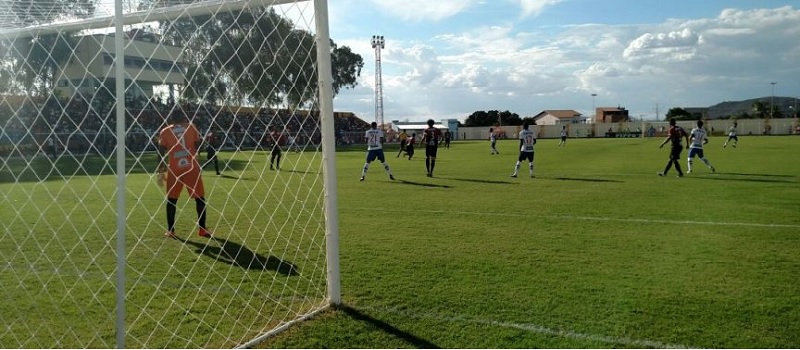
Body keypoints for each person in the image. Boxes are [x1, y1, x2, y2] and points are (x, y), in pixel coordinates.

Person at [157, 109, 212, 238]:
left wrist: (160, 170)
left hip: (175, 170)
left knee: (171, 200)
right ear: (183, 118)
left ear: (171, 119)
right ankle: (202, 229)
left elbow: (160, 151)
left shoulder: (165, 131)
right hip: (191, 167)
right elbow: (199, 146)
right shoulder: (191, 127)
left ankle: (171, 230)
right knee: (200, 199)